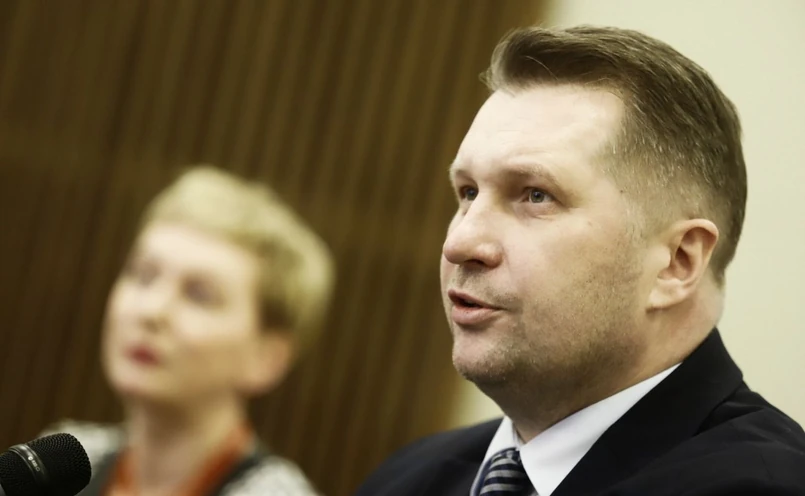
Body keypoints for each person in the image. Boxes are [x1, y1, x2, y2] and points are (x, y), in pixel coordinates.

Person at [355, 25, 805, 496]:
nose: (460, 243)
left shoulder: (756, 486)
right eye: (468, 192)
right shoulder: (408, 478)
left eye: (535, 195)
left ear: (677, 263)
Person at [43, 165, 335, 495]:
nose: (151, 311)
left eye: (199, 295)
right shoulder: (60, 463)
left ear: (267, 359)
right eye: (143, 275)